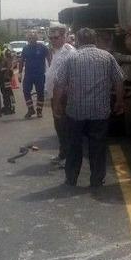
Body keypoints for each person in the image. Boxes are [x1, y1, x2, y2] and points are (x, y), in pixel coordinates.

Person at [53, 28, 124, 187]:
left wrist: (57, 105)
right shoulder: (107, 57)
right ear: (95, 40)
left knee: (74, 145)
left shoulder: (71, 58)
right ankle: (97, 180)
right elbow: (119, 80)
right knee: (98, 146)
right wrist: (119, 102)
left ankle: (71, 178)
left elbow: (59, 84)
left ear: (78, 41)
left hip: (75, 112)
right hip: (100, 112)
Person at [44, 24, 75, 166]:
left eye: (55, 37)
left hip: (64, 97)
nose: (52, 40)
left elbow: (68, 78)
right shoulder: (57, 51)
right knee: (59, 127)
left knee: (65, 128)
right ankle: (63, 155)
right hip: (55, 95)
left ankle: (69, 158)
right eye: (50, 38)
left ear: (64, 36)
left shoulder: (68, 52)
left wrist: (59, 100)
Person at [18, 31, 51, 119]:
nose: (31, 40)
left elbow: (49, 58)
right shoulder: (25, 48)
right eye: (30, 38)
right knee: (26, 91)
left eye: (33, 38)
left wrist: (51, 70)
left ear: (36, 39)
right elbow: (21, 61)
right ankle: (30, 109)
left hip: (40, 74)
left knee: (40, 92)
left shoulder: (42, 47)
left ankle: (39, 111)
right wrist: (20, 73)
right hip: (29, 74)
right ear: (28, 39)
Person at [0, 44, 16, 115]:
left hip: (6, 77)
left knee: (7, 92)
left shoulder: (6, 56)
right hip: (7, 76)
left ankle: (9, 107)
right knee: (8, 92)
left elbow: (8, 66)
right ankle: (9, 106)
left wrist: (3, 70)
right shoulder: (8, 55)